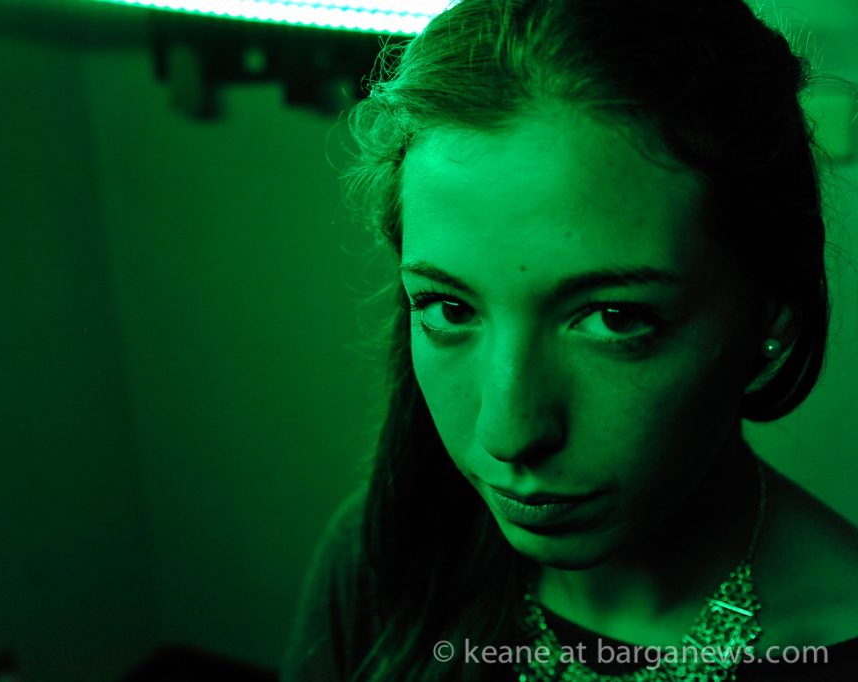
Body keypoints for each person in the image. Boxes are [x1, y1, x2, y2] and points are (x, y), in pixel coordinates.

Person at [280, 0, 858, 680]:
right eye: (449, 307)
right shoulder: (384, 554)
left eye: (614, 318)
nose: (509, 434)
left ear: (770, 318)